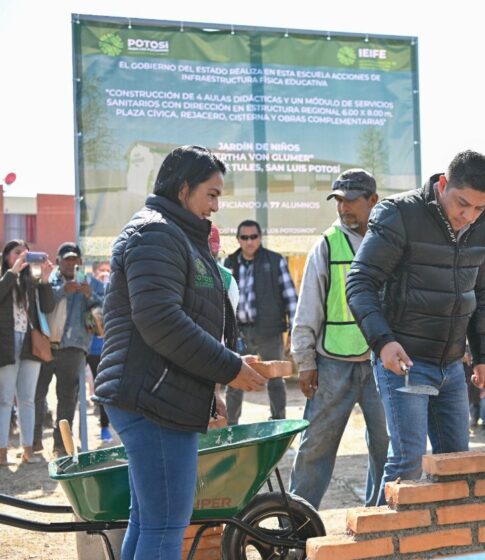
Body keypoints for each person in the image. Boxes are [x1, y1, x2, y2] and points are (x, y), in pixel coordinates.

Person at [93, 145, 267, 559]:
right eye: (211, 193)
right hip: (153, 400)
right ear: (184, 188)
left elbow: (192, 319)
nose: (216, 205)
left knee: (150, 521)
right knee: (166, 527)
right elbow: (162, 323)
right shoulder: (156, 233)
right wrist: (228, 369)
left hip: (158, 394)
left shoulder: (174, 234)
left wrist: (220, 379)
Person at [346, 152, 485, 503]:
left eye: (478, 208)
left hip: (452, 366)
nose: (468, 216)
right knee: (407, 463)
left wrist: (484, 356)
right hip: (405, 361)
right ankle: (378, 544)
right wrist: (382, 342)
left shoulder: (481, 225)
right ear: (443, 184)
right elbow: (360, 282)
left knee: (454, 464)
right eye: (462, 204)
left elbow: (479, 295)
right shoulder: (399, 213)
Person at [288, 169, 389, 508]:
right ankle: (297, 522)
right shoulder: (327, 244)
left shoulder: (391, 240)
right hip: (332, 364)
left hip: (381, 362)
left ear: (372, 200)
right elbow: (309, 306)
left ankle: (381, 518)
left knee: (387, 444)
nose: (344, 208)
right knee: (315, 444)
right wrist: (305, 361)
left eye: (351, 200)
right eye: (339, 201)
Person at [224, 219, 297, 424]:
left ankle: (278, 421)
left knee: (275, 378)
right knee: (235, 378)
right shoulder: (228, 264)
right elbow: (221, 300)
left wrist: (294, 329)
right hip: (238, 332)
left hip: (269, 330)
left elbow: (291, 298)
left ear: (260, 238)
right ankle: (231, 426)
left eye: (253, 237)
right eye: (244, 237)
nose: (249, 242)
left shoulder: (275, 261)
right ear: (238, 239)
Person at [32, 242, 102, 456]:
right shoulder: (48, 279)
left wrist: (89, 294)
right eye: (67, 259)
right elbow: (42, 304)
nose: (71, 263)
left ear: (80, 262)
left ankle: (60, 445)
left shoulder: (91, 283)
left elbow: (104, 309)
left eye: (75, 259)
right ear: (58, 260)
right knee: (36, 395)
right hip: (45, 345)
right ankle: (33, 441)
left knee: (67, 398)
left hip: (73, 347)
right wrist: (63, 291)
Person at [0, 241, 55, 465]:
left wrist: (44, 278)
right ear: (6, 258)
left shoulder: (31, 282)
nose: (23, 256)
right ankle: (1, 452)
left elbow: (48, 307)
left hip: (30, 344)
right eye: (17, 253)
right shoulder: (6, 278)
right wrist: (13, 273)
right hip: (6, 342)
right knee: (4, 399)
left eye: (26, 253)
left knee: (28, 400)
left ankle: (28, 451)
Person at [87, 261, 111, 443]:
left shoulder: (112, 290)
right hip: (84, 348)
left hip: (102, 350)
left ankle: (105, 428)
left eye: (107, 271)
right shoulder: (86, 289)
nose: (104, 274)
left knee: (103, 389)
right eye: (100, 271)